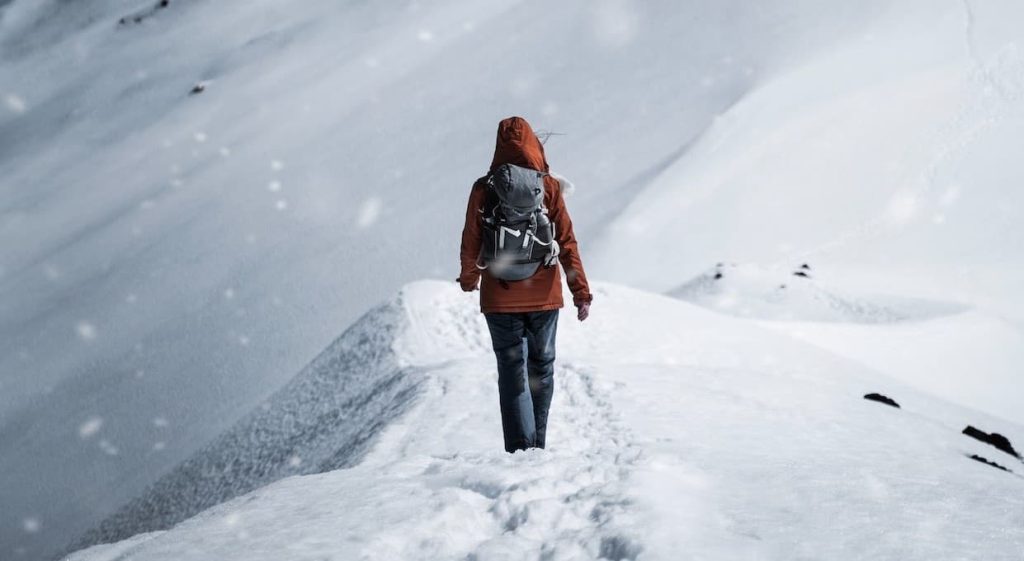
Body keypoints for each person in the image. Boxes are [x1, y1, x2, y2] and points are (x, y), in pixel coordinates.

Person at [458, 116, 593, 453]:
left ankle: (521, 451)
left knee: (512, 370)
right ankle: (538, 448)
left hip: (499, 297)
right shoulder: (547, 186)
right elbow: (567, 241)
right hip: (544, 297)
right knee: (541, 369)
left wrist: (469, 278)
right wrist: (581, 293)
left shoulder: (484, 188)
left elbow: (471, 240)